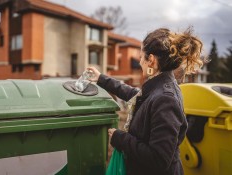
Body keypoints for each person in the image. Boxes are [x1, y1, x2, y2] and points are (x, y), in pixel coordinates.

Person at [87, 28, 203, 175]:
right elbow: (137, 96)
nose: (140, 61)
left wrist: (121, 139)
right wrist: (102, 79)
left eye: (142, 57)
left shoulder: (165, 99)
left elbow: (159, 159)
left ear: (151, 60)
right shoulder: (160, 87)